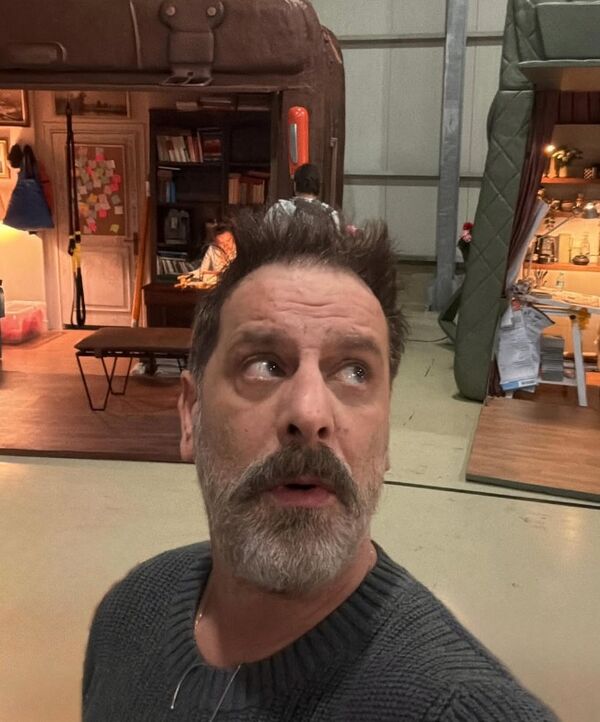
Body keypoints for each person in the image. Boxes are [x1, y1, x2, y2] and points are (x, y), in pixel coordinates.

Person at [82, 210, 557, 721]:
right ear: (190, 417)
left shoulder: (464, 711)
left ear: (386, 435)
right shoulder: (127, 615)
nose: (310, 415)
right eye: (264, 365)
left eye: (354, 372)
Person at [269, 162, 341, 229]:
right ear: (319, 186)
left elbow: (264, 235)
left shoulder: (278, 211)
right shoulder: (332, 216)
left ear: (295, 185)